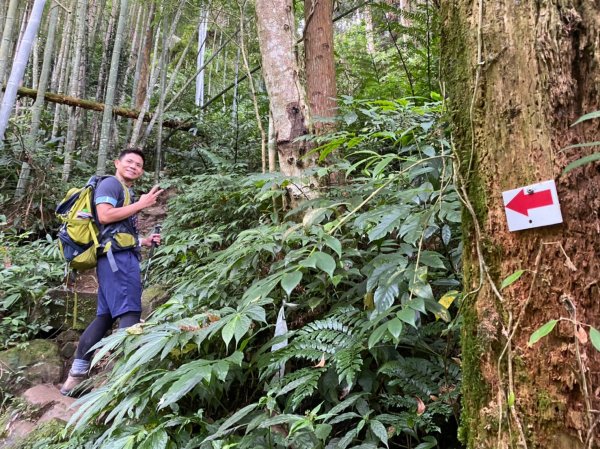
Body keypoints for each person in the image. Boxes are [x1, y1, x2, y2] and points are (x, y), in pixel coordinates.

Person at [60, 148, 163, 395]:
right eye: (129, 162)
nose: (134, 167)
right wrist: (142, 204)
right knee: (130, 312)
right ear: (117, 163)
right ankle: (125, 381)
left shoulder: (125, 191)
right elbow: (105, 216)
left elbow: (114, 233)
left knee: (104, 318)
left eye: (139, 165)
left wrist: (143, 241)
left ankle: (76, 376)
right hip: (118, 262)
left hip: (114, 258)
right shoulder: (110, 185)